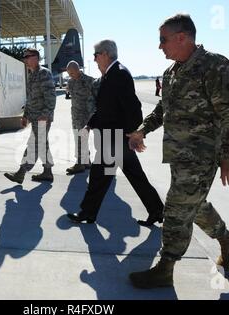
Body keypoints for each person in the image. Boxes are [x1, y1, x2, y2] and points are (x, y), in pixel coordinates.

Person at [127, 14, 229, 289]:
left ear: (182, 37)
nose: (160, 47)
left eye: (163, 40)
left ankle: (165, 267)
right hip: (179, 157)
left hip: (202, 157)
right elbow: (163, 110)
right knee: (194, 206)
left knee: (176, 210)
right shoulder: (171, 73)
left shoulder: (213, 66)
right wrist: (142, 130)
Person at [67, 40, 165, 227]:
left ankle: (88, 213)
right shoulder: (110, 74)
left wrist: (132, 135)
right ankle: (156, 210)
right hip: (114, 138)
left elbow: (134, 109)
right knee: (126, 176)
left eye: (95, 55)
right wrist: (90, 124)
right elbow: (105, 108)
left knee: (100, 177)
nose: (94, 59)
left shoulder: (119, 74)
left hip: (116, 138)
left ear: (105, 54)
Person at [4, 48, 56, 184]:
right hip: (35, 117)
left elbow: (51, 97)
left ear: (36, 58)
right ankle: (48, 172)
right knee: (42, 144)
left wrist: (45, 114)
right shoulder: (32, 75)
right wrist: (26, 115)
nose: (25, 60)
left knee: (34, 144)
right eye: (24, 57)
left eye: (28, 57)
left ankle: (21, 173)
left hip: (42, 117)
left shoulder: (44, 73)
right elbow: (30, 98)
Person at [66, 60, 96, 175]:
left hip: (87, 115)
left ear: (78, 69)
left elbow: (97, 96)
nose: (70, 75)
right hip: (75, 114)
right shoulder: (70, 82)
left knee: (80, 138)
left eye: (72, 73)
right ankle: (86, 161)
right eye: (69, 73)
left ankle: (79, 163)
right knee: (78, 137)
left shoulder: (90, 81)